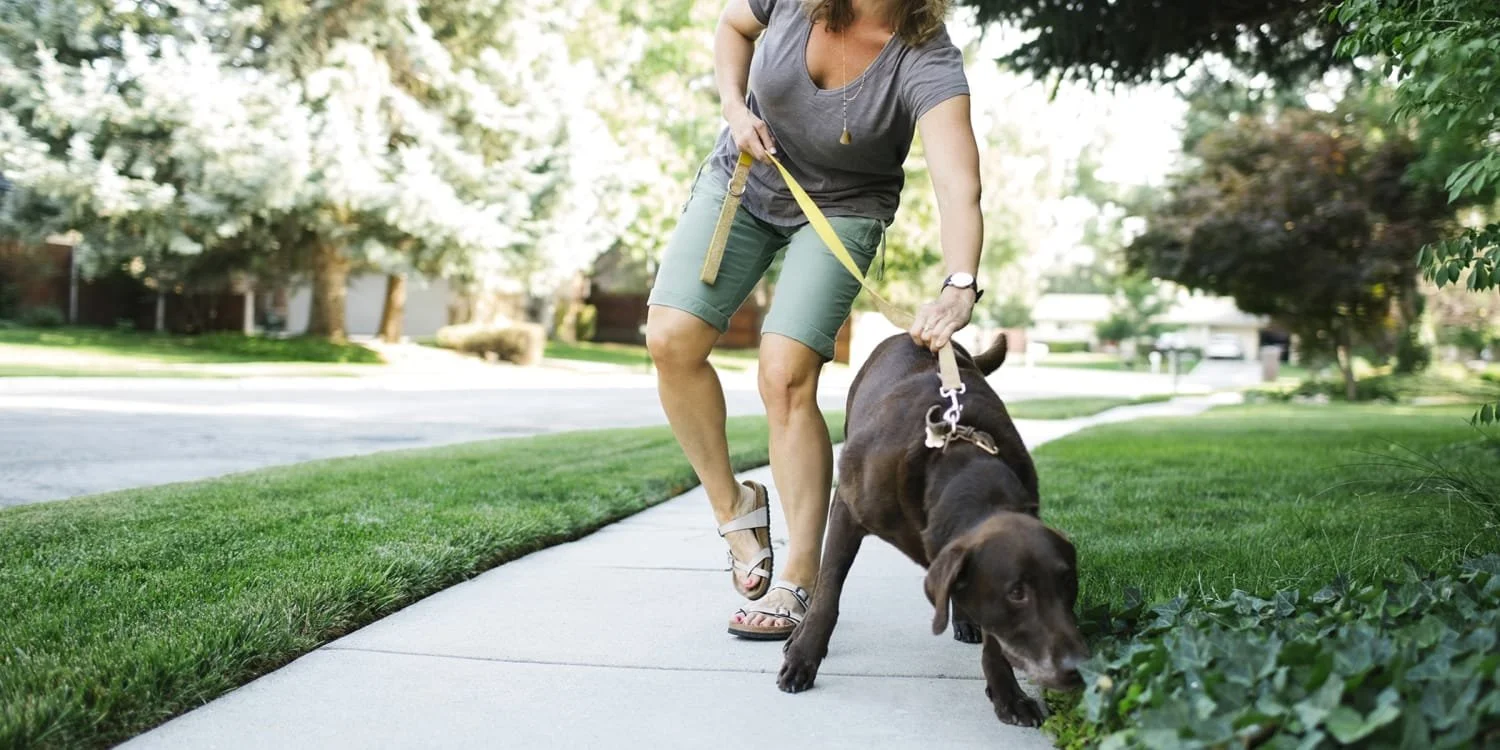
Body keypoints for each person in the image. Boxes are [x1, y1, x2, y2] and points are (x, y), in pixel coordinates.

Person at [644, 0, 984, 640]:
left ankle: (801, 574)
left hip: (843, 209)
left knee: (786, 373)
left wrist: (959, 285)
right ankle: (735, 509)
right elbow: (732, 26)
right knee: (670, 340)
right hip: (744, 178)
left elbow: (956, 183)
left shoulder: (925, 57)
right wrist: (734, 107)